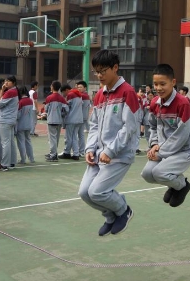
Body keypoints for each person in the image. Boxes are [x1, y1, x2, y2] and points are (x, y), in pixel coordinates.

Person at [79, 50, 140, 236]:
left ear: (115, 68)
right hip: (99, 153)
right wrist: (90, 149)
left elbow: (129, 128)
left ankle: (123, 210)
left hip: (119, 154)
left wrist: (111, 151)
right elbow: (94, 125)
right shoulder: (99, 94)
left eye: (102, 71)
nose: (99, 75)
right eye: (96, 72)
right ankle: (110, 217)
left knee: (97, 192)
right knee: (84, 192)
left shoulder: (128, 92)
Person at [141, 64, 190, 207]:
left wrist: (160, 152)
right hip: (162, 149)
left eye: (163, 84)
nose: (158, 88)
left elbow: (181, 136)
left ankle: (182, 185)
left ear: (173, 82)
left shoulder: (182, 103)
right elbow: (152, 126)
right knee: (147, 174)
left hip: (183, 150)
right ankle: (174, 183)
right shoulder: (155, 103)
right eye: (155, 84)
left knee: (159, 173)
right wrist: (154, 144)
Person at [0, 76, 19, 171]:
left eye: (8, 81)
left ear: (13, 83)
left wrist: (2, 90)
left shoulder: (9, 92)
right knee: (10, 141)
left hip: (5, 119)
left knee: (5, 142)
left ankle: (4, 164)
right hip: (11, 119)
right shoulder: (15, 91)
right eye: (5, 81)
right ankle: (12, 162)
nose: (6, 83)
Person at [43, 81, 68, 162]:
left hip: (51, 120)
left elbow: (46, 109)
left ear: (53, 87)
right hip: (59, 120)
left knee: (52, 138)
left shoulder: (49, 98)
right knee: (56, 138)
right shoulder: (62, 98)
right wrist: (61, 114)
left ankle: (53, 155)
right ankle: (54, 153)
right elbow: (66, 109)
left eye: (51, 86)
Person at [60, 84, 84, 160]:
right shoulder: (79, 94)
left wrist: (62, 113)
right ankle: (76, 153)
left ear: (66, 90)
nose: (63, 94)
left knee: (69, 137)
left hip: (71, 119)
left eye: (63, 92)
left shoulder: (70, 95)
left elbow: (66, 108)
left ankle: (67, 152)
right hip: (79, 119)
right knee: (74, 137)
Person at [15, 86, 35, 164]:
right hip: (29, 124)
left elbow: (18, 115)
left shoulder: (20, 102)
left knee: (21, 142)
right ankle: (31, 158)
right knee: (28, 141)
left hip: (21, 124)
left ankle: (23, 159)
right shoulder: (30, 100)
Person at [76, 80, 91, 157]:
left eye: (80, 87)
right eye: (78, 87)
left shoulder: (83, 96)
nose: (79, 89)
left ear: (85, 88)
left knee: (79, 134)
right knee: (80, 134)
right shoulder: (85, 95)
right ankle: (81, 150)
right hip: (83, 117)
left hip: (81, 117)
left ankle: (81, 150)